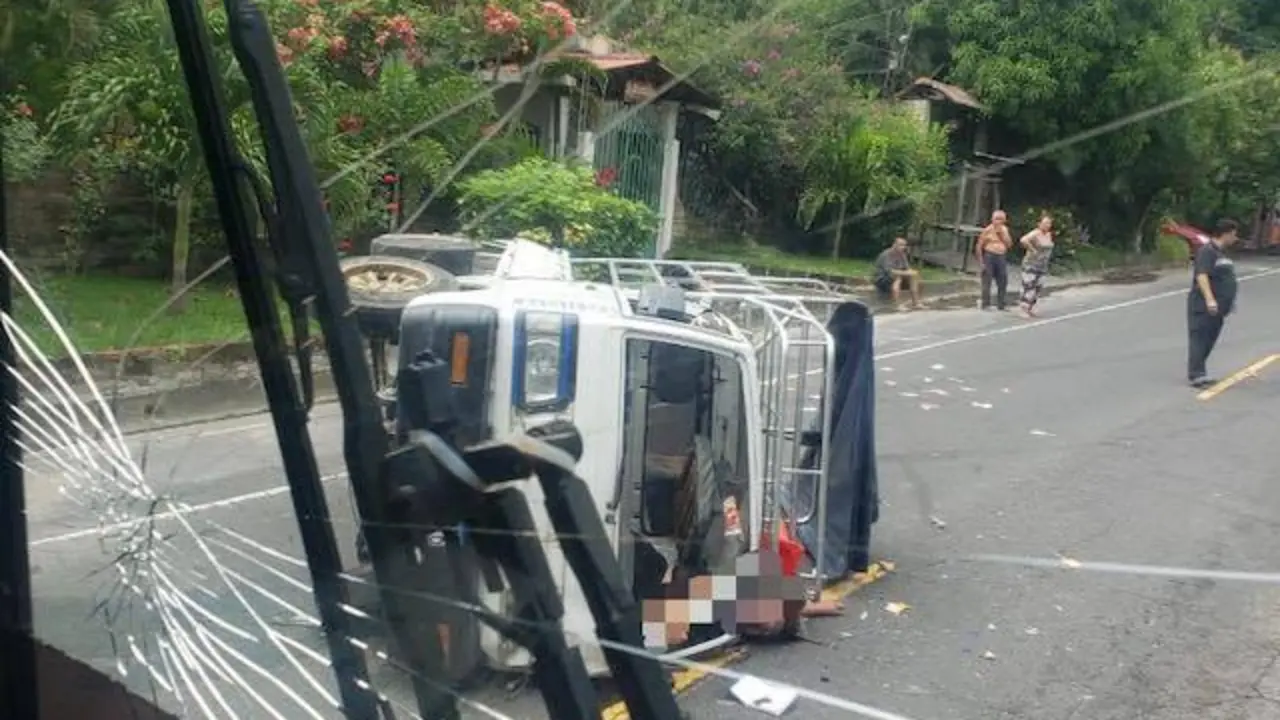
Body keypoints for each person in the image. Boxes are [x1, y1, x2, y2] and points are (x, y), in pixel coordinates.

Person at [1187, 218, 1240, 388]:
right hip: (1203, 306)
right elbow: (1202, 276)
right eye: (1233, 234)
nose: (1235, 238)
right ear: (1225, 234)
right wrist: (1210, 300)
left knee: (1209, 339)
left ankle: (1200, 372)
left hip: (1219, 307)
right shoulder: (1207, 251)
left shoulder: (1221, 253)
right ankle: (1196, 375)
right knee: (1200, 339)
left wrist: (1229, 300)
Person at [1018, 214, 1055, 318]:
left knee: (1038, 286)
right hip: (1031, 264)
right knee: (1028, 286)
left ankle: (1031, 307)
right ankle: (1023, 308)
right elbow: (1023, 240)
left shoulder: (1048, 235)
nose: (1047, 225)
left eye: (1049, 223)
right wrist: (1032, 249)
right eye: (1045, 223)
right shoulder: (1035, 233)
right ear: (1039, 224)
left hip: (1042, 265)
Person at [975, 210, 1013, 310]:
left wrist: (1002, 235)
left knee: (1003, 280)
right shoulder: (987, 230)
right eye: (997, 219)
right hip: (989, 256)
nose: (999, 221)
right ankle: (985, 304)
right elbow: (979, 246)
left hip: (1001, 256)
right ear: (992, 219)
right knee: (987, 280)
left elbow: (1009, 245)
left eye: (1001, 219)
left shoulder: (1005, 229)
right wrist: (981, 262)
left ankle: (1001, 304)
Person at [873, 237, 922, 309]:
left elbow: (907, 269)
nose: (903, 247)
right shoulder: (886, 254)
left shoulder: (902, 255)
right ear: (894, 245)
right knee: (898, 277)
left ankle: (916, 303)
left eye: (904, 245)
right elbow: (889, 271)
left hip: (894, 277)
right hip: (881, 279)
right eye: (901, 245)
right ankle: (897, 305)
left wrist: (914, 273)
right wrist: (907, 273)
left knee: (913, 277)